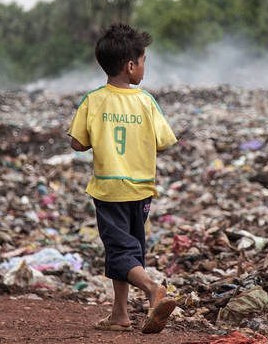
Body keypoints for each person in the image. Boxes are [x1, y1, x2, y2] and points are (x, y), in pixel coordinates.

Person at [68, 23, 177, 333]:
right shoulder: (146, 101)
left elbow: (77, 143)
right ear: (131, 66)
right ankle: (119, 315)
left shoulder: (93, 99)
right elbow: (165, 143)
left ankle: (154, 290)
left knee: (119, 251)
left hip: (109, 188)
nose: (143, 68)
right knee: (130, 250)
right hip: (141, 189)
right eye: (143, 62)